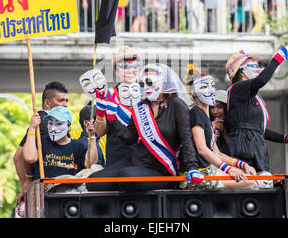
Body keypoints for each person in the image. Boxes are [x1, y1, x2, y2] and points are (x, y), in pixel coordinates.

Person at [87, 63, 204, 192]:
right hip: (135, 162)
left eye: (150, 82)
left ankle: (165, 184)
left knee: (127, 177)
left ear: (164, 83)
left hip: (162, 168)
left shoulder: (176, 105)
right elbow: (130, 138)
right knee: (93, 182)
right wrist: (110, 117)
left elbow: (186, 139)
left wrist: (192, 168)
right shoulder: (141, 106)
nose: (146, 87)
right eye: (142, 84)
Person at [224, 48, 288, 177]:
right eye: (253, 65)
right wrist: (277, 59)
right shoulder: (237, 89)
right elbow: (261, 81)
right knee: (251, 185)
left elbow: (259, 130)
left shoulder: (252, 97)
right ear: (241, 71)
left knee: (265, 183)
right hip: (242, 147)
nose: (257, 69)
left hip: (255, 146)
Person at [182, 65, 258, 190]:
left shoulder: (205, 116)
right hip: (199, 175)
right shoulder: (196, 113)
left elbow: (217, 153)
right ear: (193, 92)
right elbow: (202, 149)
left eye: (212, 85)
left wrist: (242, 164)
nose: (211, 90)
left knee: (249, 175)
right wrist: (228, 170)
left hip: (208, 171)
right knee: (250, 182)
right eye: (204, 87)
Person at [13, 81, 69, 204]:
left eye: (66, 101)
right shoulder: (44, 124)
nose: (65, 105)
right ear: (47, 103)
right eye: (60, 101)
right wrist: (28, 182)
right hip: (51, 191)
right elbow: (23, 157)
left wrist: (27, 182)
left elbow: (17, 157)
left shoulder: (39, 122)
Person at [93, 46, 142, 166]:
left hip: (143, 157)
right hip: (117, 156)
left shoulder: (148, 94)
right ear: (116, 70)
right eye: (124, 66)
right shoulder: (107, 94)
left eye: (134, 66)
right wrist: (100, 110)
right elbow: (99, 133)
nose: (130, 70)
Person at [23, 105, 98, 180]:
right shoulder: (41, 141)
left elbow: (91, 164)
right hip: (44, 189)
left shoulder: (78, 145)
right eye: (50, 123)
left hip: (68, 190)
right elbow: (29, 158)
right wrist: (32, 128)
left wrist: (92, 136)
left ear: (68, 126)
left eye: (59, 124)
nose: (53, 128)